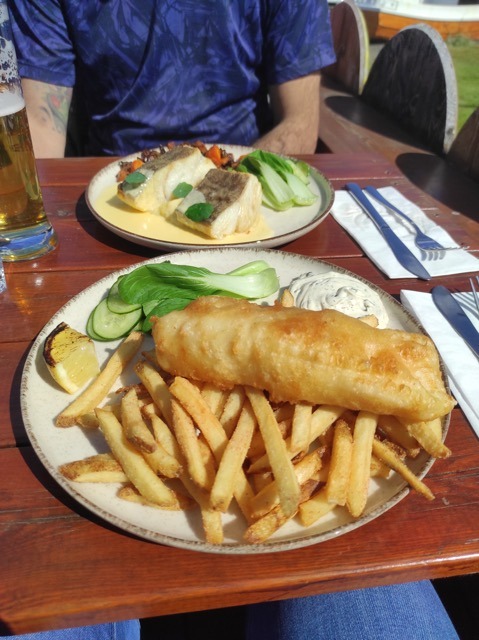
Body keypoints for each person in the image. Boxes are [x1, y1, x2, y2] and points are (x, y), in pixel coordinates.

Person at [8, 0, 337, 158]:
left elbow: (300, 124)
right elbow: (40, 128)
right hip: (111, 182)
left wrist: (223, 184)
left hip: (242, 164)